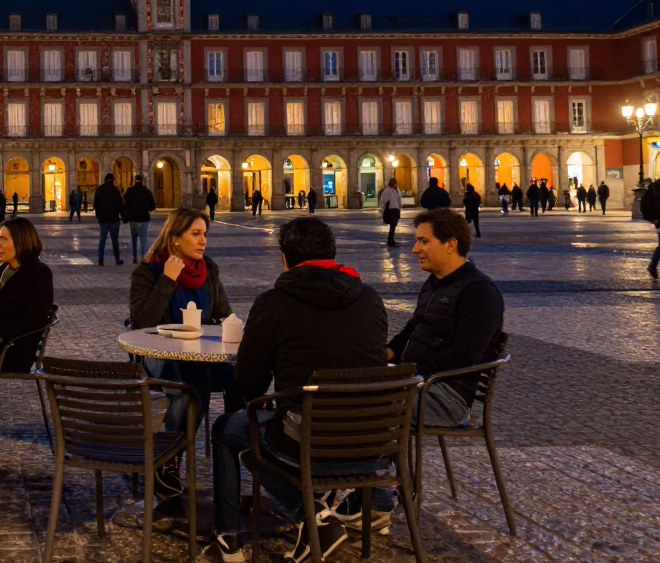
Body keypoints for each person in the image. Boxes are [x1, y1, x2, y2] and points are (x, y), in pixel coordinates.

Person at [207, 217, 388, 562]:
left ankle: (229, 537)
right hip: (374, 439)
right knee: (266, 431)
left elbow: (250, 384)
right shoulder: (370, 298)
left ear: (284, 258)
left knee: (230, 430)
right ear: (333, 254)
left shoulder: (273, 303)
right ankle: (325, 517)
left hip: (308, 438)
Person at [345, 208, 505, 528]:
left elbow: (464, 356)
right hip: (419, 382)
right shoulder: (434, 283)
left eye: (423, 241)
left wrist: (407, 374)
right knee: (354, 389)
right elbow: (412, 329)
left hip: (447, 395)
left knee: (368, 406)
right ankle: (368, 491)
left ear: (450, 244)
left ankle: (374, 501)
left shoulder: (479, 293)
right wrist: (383, 355)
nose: (415, 249)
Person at [130, 207, 235, 498]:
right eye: (196, 234)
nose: (203, 241)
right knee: (194, 381)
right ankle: (167, 458)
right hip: (159, 357)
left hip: (202, 355)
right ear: (175, 238)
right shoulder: (148, 271)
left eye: (205, 235)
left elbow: (225, 314)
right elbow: (142, 322)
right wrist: (168, 279)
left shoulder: (208, 270)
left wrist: (236, 330)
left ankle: (236, 445)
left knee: (239, 377)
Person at [0, 217, 54, 471]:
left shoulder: (39, 274)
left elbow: (35, 320)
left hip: (15, 349)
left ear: (21, 241)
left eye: (3, 238)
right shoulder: (4, 269)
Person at [94, 172, 127, 266]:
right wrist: (124, 216)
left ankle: (100, 259)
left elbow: (96, 204)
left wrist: (98, 215)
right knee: (115, 240)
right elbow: (120, 205)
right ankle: (117, 259)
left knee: (102, 240)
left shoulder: (99, 189)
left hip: (103, 219)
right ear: (113, 179)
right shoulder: (115, 190)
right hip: (114, 219)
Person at [124, 173, 157, 264]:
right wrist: (148, 209)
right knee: (144, 238)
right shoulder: (147, 191)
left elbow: (126, 204)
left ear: (134, 180)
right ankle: (143, 257)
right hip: (144, 218)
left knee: (134, 238)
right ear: (142, 180)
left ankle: (135, 257)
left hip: (133, 218)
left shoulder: (130, 191)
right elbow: (152, 205)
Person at [378, 177, 403, 247]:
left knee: (394, 225)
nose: (394, 185)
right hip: (391, 209)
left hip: (396, 209)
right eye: (393, 184)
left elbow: (399, 197)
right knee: (392, 225)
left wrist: (401, 205)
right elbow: (383, 200)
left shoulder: (397, 190)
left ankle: (391, 239)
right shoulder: (387, 190)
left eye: (395, 184)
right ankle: (390, 239)